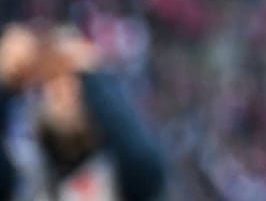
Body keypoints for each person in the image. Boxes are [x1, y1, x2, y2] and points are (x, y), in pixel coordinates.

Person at [0, 25, 166, 201]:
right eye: (49, 88)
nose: (61, 93)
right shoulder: (27, 174)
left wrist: (88, 73)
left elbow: (143, 163)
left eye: (69, 86)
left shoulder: (116, 176)